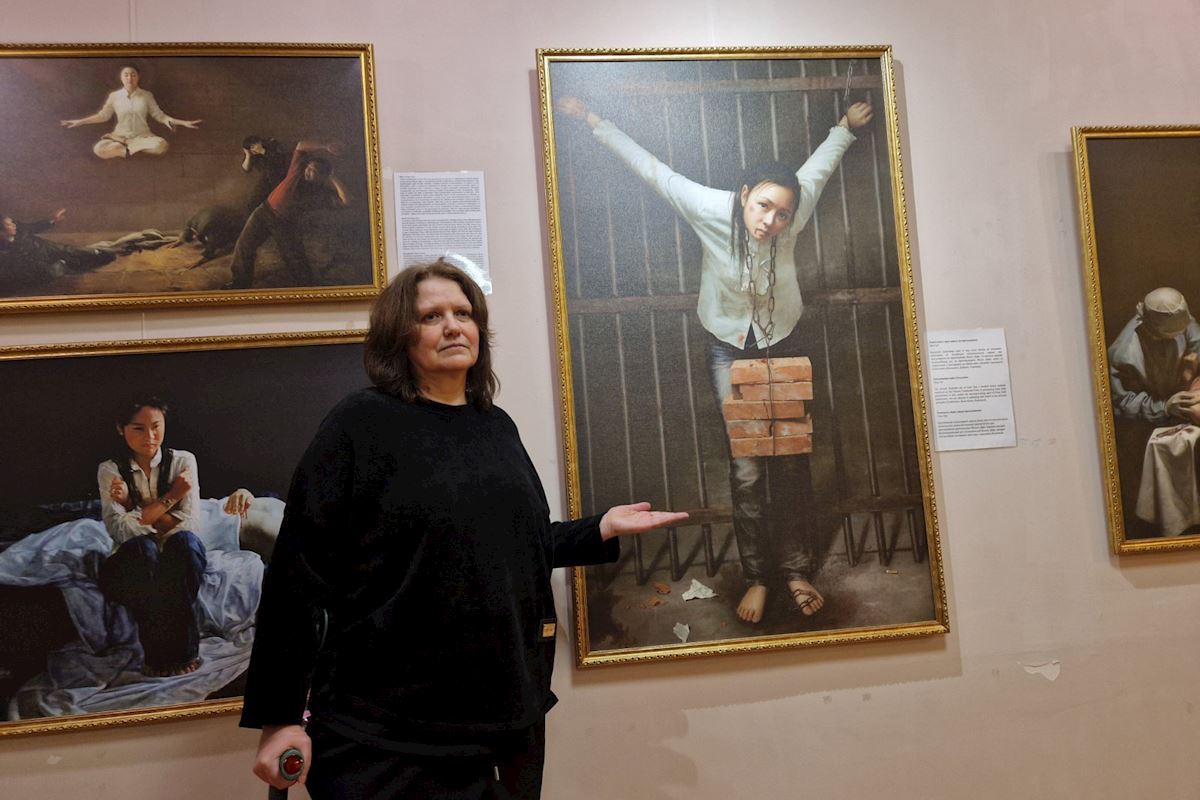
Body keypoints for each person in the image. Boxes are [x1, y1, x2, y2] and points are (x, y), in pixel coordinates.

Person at [241, 260, 687, 799]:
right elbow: (297, 574)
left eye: (464, 313)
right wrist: (280, 717)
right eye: (432, 316)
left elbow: (505, 545)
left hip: (505, 727)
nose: (454, 325)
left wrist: (599, 529)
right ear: (400, 336)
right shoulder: (359, 424)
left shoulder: (494, 426)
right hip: (386, 735)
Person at [557, 94, 873, 623]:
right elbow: (653, 170)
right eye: (763, 206)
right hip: (728, 346)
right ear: (745, 195)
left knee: (791, 458)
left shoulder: (794, 209)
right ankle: (757, 577)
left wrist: (844, 126)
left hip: (783, 340)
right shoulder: (707, 207)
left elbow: (819, 166)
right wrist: (593, 120)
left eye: (783, 214)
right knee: (748, 468)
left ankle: (795, 571)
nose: (771, 221)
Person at [97, 396, 253, 677]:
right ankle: (158, 656)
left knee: (186, 545)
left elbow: (189, 525)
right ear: (121, 428)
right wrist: (172, 496)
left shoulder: (183, 461)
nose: (150, 437)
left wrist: (134, 506)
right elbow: (120, 530)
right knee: (143, 549)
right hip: (131, 561)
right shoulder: (110, 469)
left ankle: (184, 652)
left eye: (156, 426)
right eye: (139, 429)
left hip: (178, 553)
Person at [1107, 287, 1200, 536]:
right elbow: (1123, 402)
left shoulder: (1178, 317)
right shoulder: (1123, 354)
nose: (1178, 337)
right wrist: (1164, 407)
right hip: (1143, 423)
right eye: (1169, 337)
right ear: (1152, 329)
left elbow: (1195, 339)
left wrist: (1192, 377)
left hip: (1180, 393)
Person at [224, 140, 350, 290]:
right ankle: (239, 284)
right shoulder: (296, 171)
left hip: (285, 224)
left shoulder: (320, 193)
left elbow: (347, 201)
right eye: (308, 167)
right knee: (244, 246)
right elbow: (301, 145)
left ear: (322, 177)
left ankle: (307, 290)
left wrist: (332, 177)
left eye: (314, 171)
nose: (307, 171)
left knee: (295, 259)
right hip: (264, 212)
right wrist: (326, 146)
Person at [60, 66, 201, 159]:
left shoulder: (147, 95)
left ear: (138, 77)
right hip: (119, 135)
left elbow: (159, 115)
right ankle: (128, 146)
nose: (129, 78)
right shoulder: (114, 96)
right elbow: (103, 116)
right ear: (121, 78)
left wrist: (182, 122)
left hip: (143, 137)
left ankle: (126, 147)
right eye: (126, 75)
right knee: (99, 149)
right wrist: (80, 121)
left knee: (161, 145)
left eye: (133, 75)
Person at [0, 208, 114, 288]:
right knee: (53, 271)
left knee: (75, 252)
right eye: (9, 225)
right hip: (39, 264)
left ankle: (102, 253)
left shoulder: (20, 230)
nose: (14, 226)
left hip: (47, 248)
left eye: (13, 223)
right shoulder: (4, 250)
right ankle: (68, 263)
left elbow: (33, 227)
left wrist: (53, 220)